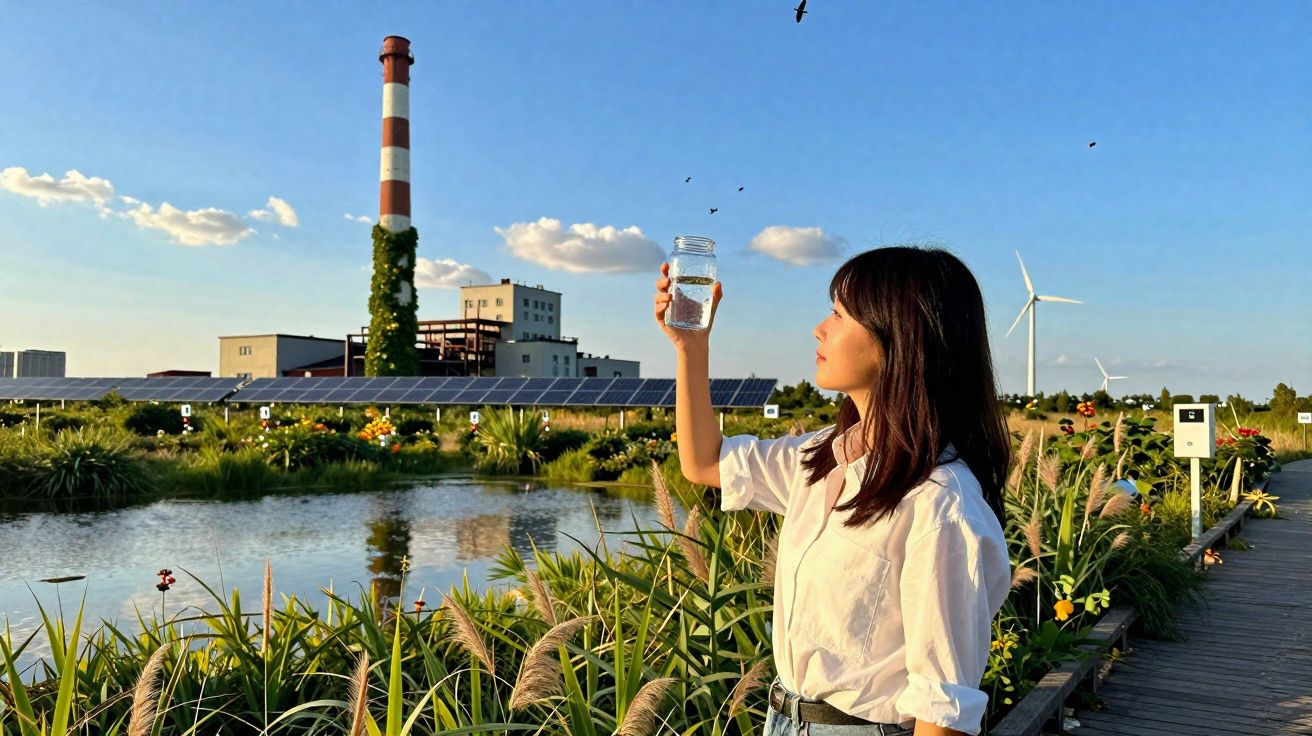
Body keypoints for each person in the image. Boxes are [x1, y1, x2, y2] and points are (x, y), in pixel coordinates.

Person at [653, 246, 1012, 736]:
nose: (819, 328)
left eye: (840, 314)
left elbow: (943, 705)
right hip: (783, 718)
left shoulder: (939, 505)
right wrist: (691, 347)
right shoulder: (821, 458)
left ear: (899, 338)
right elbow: (705, 462)